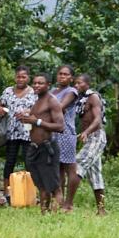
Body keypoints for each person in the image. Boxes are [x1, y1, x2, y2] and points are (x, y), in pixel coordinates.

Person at [14, 74, 65, 214]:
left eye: (40, 83)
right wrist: (24, 118)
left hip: (47, 148)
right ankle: (44, 215)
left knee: (55, 187)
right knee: (41, 186)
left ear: (48, 84)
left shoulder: (52, 101)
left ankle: (57, 217)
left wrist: (36, 121)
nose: (36, 85)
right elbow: (33, 120)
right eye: (35, 83)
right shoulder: (37, 102)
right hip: (34, 148)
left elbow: (60, 126)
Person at [0, 66, 37, 203]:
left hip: (28, 131)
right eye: (18, 76)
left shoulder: (33, 92)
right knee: (9, 162)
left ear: (28, 78)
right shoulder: (8, 91)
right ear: (15, 77)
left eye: (23, 77)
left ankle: (31, 193)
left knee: (29, 162)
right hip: (11, 132)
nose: (20, 79)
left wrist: (28, 113)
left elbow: (40, 110)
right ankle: (7, 193)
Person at [73, 73, 107, 215]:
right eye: (75, 83)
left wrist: (86, 132)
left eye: (79, 83)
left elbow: (97, 119)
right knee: (95, 174)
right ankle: (102, 210)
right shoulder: (81, 99)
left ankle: (66, 203)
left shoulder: (93, 97)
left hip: (96, 136)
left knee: (78, 164)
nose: (76, 85)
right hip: (89, 137)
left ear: (87, 84)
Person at [51, 65, 79, 212]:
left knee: (70, 168)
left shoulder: (72, 91)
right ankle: (59, 201)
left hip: (66, 132)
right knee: (58, 169)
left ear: (71, 78)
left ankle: (69, 203)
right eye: (60, 73)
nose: (62, 76)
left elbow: (59, 107)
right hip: (53, 133)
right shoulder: (52, 92)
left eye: (65, 74)